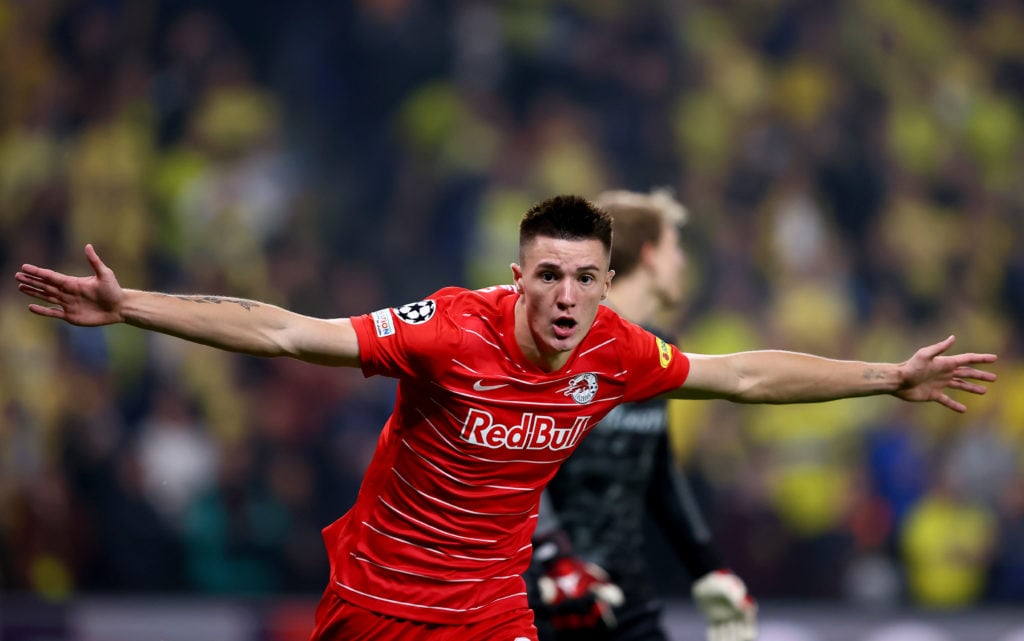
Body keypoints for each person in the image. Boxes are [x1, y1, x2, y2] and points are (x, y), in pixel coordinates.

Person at [15, 195, 996, 641]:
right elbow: (284, 331)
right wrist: (132, 307)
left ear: (605, 282)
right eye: (548, 274)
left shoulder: (615, 349)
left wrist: (887, 376)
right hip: (378, 603)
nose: (567, 295)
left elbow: (739, 376)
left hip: (492, 611)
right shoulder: (448, 329)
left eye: (585, 277)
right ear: (515, 275)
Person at [526, 189, 756, 641]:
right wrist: (553, 560)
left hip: (627, 597)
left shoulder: (658, 350)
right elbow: (520, 462)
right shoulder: (562, 337)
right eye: (675, 247)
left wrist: (708, 568)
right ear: (650, 255)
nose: (682, 262)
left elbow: (659, 471)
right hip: (551, 598)